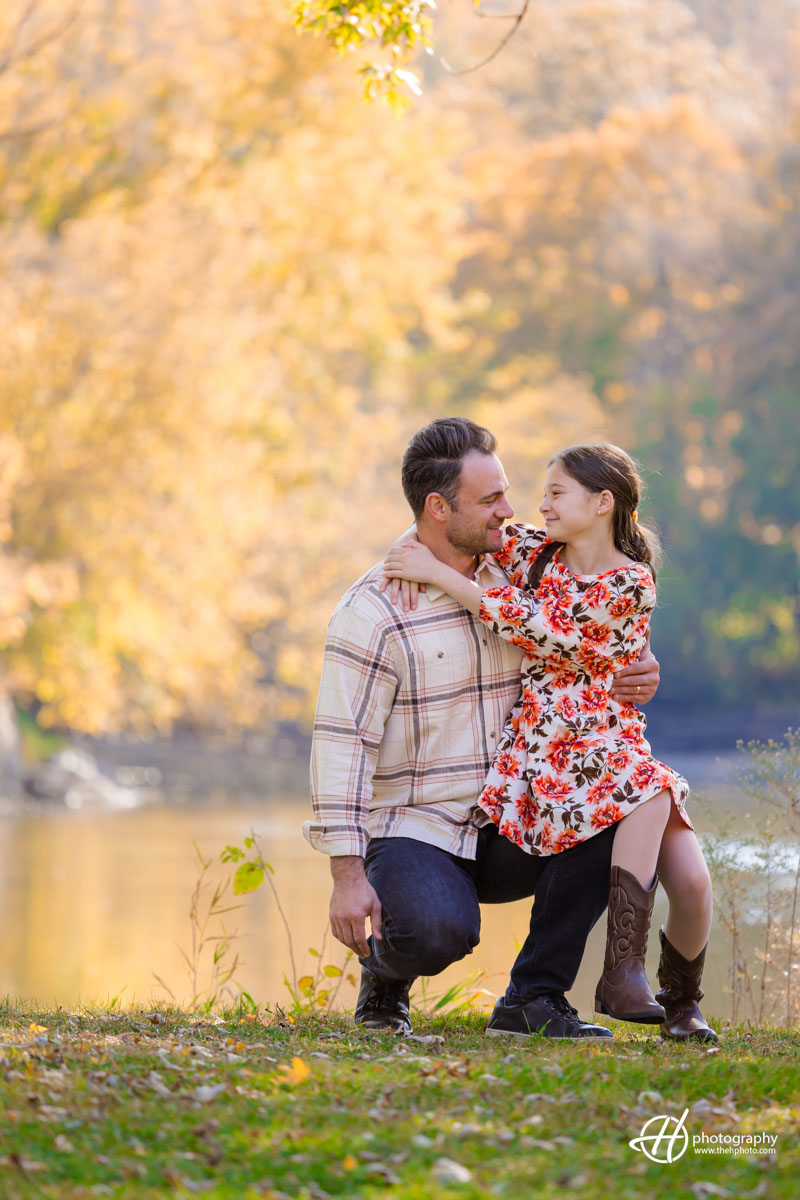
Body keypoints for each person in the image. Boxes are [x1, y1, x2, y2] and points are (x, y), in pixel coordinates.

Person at [303, 418, 661, 1041]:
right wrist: (346, 875)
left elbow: (583, 631)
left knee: (612, 804)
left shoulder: (524, 572)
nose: (511, 510)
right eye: (491, 500)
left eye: (506, 493)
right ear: (439, 508)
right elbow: (343, 745)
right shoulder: (375, 611)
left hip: (510, 813)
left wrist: (639, 666)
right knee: (437, 930)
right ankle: (386, 980)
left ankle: (532, 998)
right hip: (421, 827)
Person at [383, 441, 717, 1043]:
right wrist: (409, 554)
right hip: (544, 750)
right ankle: (607, 977)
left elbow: (551, 636)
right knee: (652, 792)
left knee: (691, 881)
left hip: (606, 748)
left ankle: (679, 1000)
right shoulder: (536, 554)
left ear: (602, 503)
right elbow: (445, 536)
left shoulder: (632, 582)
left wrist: (435, 578)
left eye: (556, 493)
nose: (539, 506)